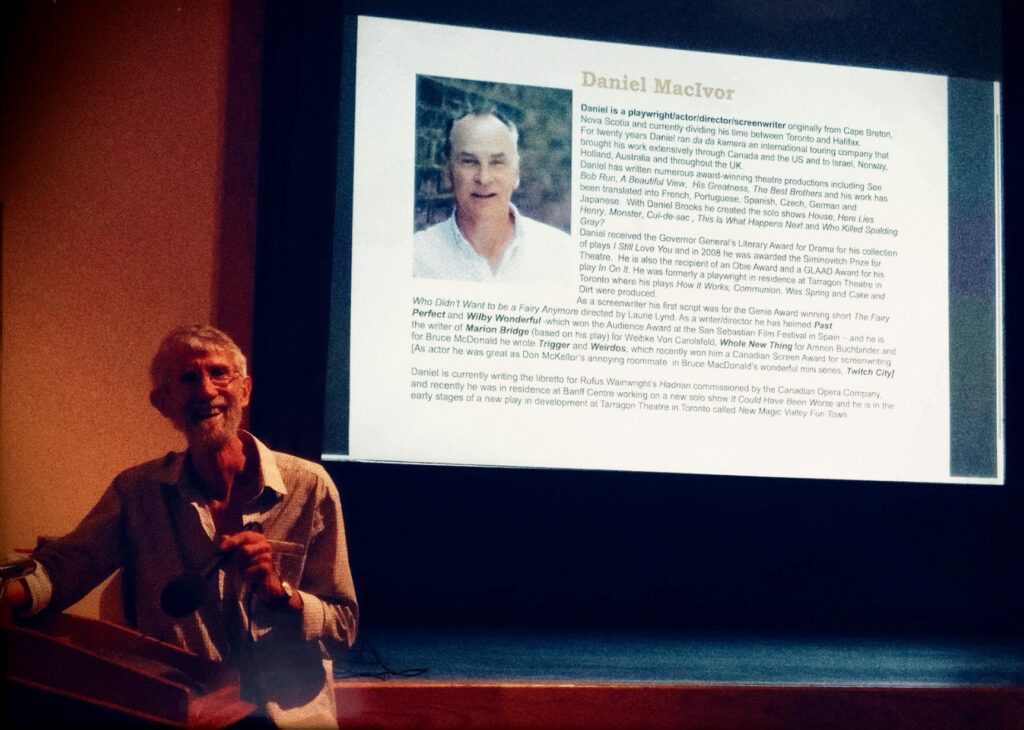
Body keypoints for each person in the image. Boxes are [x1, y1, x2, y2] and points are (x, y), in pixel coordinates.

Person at [1, 325, 358, 728]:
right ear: (163, 403)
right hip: (188, 714)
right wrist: (8, 593)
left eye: (219, 373)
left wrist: (280, 594)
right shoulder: (137, 491)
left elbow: (343, 629)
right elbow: (63, 570)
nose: (206, 390)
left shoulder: (310, 487)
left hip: (290, 720)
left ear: (244, 390)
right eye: (188, 378)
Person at [414, 108, 572, 285]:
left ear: (516, 173)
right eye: (469, 161)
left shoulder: (561, 253)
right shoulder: (418, 257)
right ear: (448, 172)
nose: (484, 178)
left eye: (497, 162)